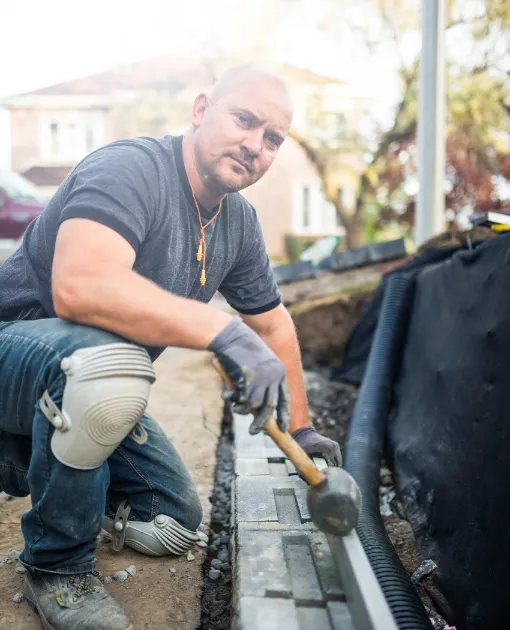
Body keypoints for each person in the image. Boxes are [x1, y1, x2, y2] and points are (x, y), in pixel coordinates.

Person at [0, 65, 342, 629]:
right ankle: (57, 568)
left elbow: (274, 325)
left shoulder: (238, 221)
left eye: (273, 138)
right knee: (111, 368)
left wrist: (300, 430)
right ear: (202, 110)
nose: (255, 145)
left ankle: (42, 462)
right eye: (244, 121)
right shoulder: (132, 169)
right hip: (18, 358)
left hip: (83, 381)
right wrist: (222, 331)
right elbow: (79, 285)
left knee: (173, 523)